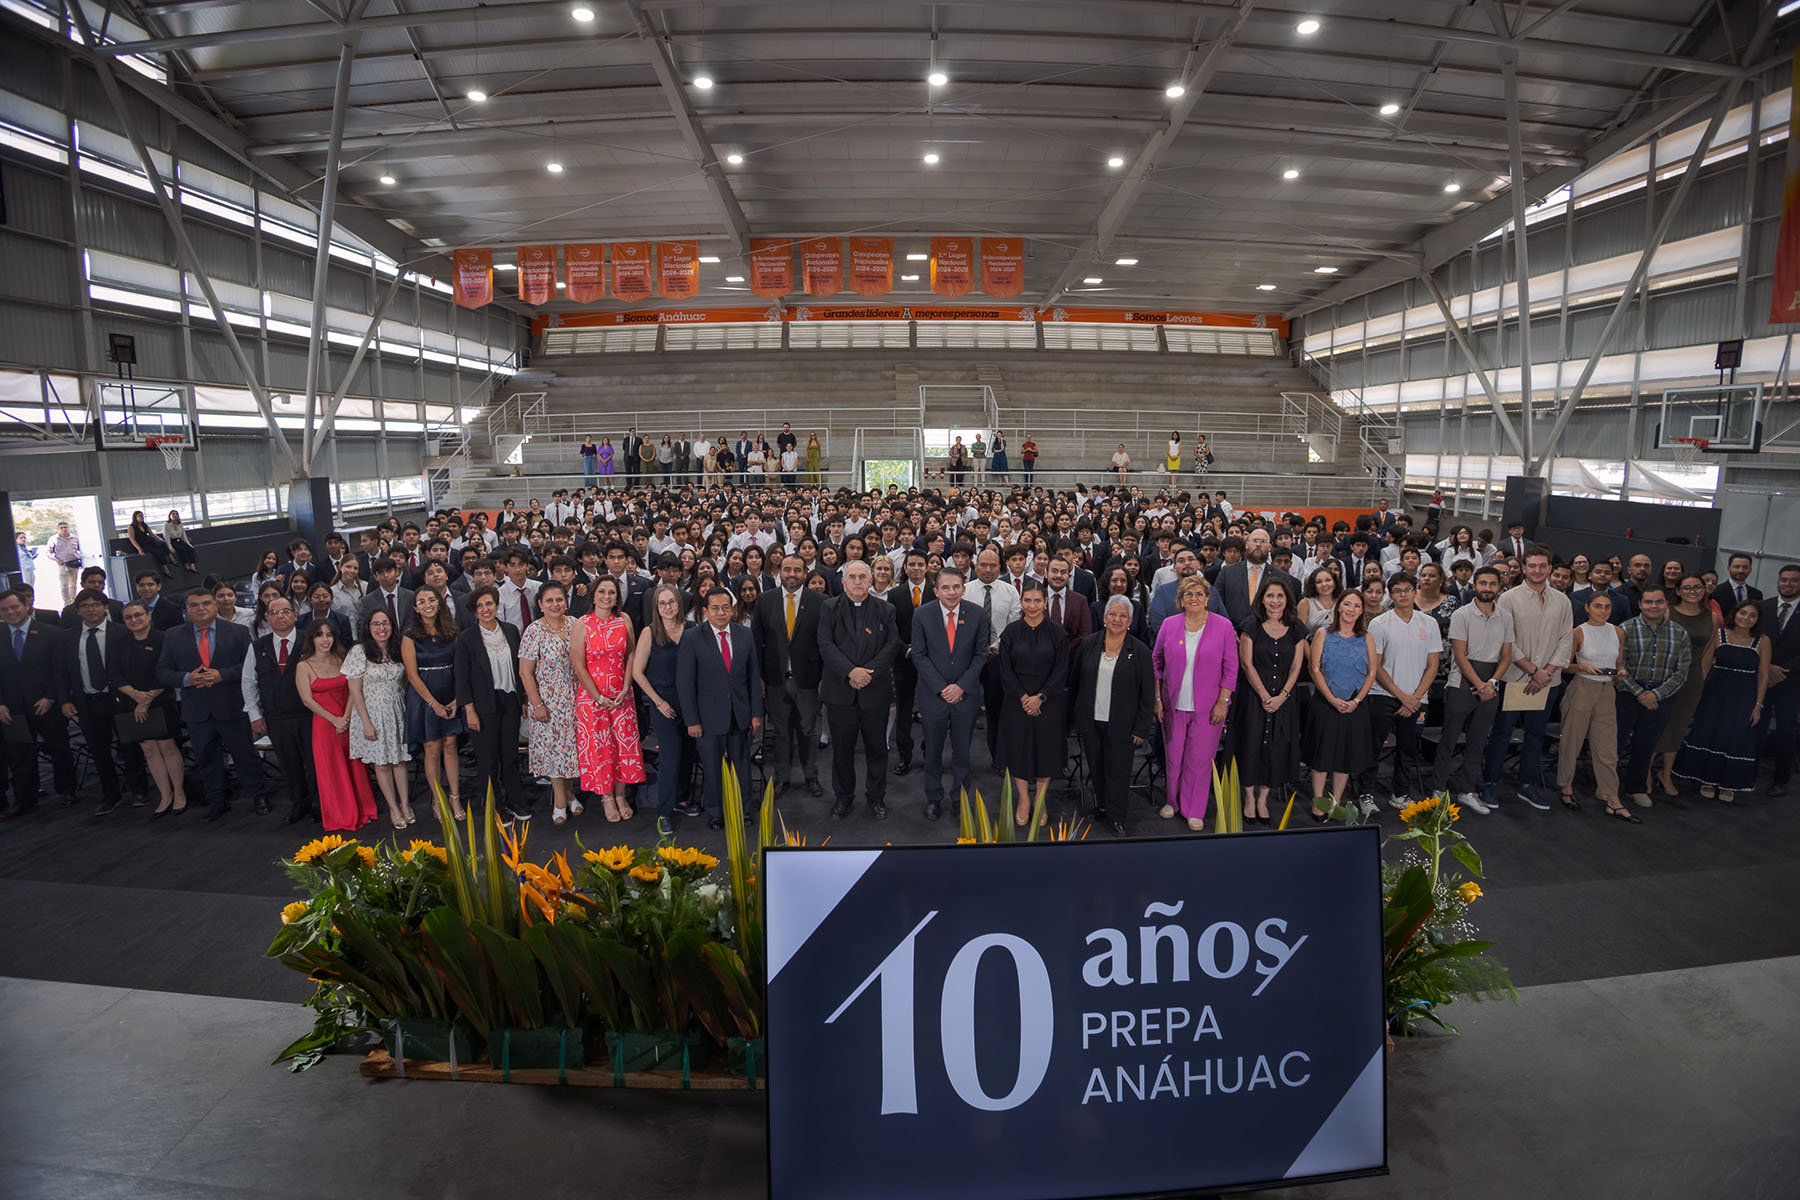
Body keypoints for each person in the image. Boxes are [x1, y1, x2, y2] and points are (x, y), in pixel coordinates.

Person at [155, 589, 267, 822]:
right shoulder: (173, 635)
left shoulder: (238, 632)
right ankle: (217, 801)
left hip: (231, 705)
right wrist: (188, 678)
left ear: (215, 606)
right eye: (194, 605)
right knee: (206, 758)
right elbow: (163, 671)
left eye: (206, 603)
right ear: (187, 610)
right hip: (197, 709)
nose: (201, 608)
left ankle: (259, 795)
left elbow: (249, 668)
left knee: (245, 755)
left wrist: (222, 675)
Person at [1482, 546, 1570, 810]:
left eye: (1543, 566)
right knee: (1502, 733)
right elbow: (1506, 640)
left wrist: (1548, 672)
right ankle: (1490, 784)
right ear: (1523, 567)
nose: (1537, 570)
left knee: (1536, 734)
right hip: (1515, 678)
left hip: (1548, 682)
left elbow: (1567, 639)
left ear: (1550, 568)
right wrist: (1533, 670)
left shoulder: (1562, 601)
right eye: (1532, 566)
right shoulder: (1508, 599)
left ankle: (1527, 786)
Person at [1151, 575, 1237, 831]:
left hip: (1209, 707)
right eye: (1188, 594)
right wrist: (1157, 699)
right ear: (1181, 599)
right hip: (1172, 704)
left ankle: (1194, 809)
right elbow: (1156, 663)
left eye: (1199, 594)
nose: (1194, 598)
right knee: (1174, 756)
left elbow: (1231, 668)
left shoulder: (1223, 626)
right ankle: (1173, 802)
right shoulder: (1169, 624)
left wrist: (1223, 701)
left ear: (1208, 598)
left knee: (1199, 760)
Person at [818, 560, 899, 820]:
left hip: (874, 691)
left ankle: (876, 797)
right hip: (841, 691)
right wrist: (850, 672)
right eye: (851, 577)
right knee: (842, 750)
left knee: (877, 749)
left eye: (862, 577)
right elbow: (825, 644)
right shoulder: (829, 607)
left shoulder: (886, 609)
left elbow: (892, 645)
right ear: (843, 581)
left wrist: (867, 673)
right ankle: (843, 797)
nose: (857, 582)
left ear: (871, 579)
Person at [678, 586, 761, 832]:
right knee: (712, 767)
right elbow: (685, 683)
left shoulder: (745, 635)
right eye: (715, 608)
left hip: (740, 713)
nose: (721, 612)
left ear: (732, 609)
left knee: (741, 765)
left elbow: (753, 676)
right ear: (705, 611)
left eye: (726, 607)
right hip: (707, 717)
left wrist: (756, 713)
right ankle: (715, 811)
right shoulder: (692, 637)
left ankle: (743, 809)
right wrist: (691, 720)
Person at [1071, 595, 1155, 837]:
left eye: (1123, 616)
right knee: (1096, 767)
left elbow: (1147, 693)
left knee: (1118, 770)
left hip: (1123, 724)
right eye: (1112, 614)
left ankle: (1117, 816)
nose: (1117, 619)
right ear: (1104, 617)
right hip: (1091, 719)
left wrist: (1141, 727)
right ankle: (1101, 806)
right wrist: (1075, 717)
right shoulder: (1089, 644)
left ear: (1130, 621)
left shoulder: (1139, 651)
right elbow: (1075, 682)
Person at [58, 586, 146, 813]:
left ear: (105, 608)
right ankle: (110, 794)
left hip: (121, 699)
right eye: (85, 606)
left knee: (130, 747)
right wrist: (64, 700)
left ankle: (139, 790)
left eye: (96, 604)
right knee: (99, 751)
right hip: (88, 701)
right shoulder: (68, 637)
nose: (91, 610)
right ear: (78, 611)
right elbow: (62, 672)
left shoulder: (122, 632)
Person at [1673, 600, 1771, 803]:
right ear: (1735, 614)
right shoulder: (1719, 634)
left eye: (1752, 615)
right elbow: (1705, 666)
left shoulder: (1763, 641)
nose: (1746, 618)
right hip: (1714, 692)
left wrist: (1758, 705)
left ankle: (1727, 784)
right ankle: (1706, 780)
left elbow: (1763, 676)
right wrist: (1697, 694)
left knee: (1735, 736)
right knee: (1709, 732)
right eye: (1743, 613)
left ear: (1758, 620)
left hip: (1744, 696)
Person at [912, 567, 988, 821]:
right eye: (945, 587)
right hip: (933, 696)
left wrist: (960, 687)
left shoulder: (977, 614)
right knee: (932, 751)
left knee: (962, 751)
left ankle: (960, 798)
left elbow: (980, 656)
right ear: (936, 591)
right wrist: (942, 688)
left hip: (965, 696)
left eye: (956, 587)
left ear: (964, 588)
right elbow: (919, 655)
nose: (951, 592)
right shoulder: (922, 614)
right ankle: (933, 797)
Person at [1364, 573, 1442, 810]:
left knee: (1408, 748)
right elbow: (1375, 667)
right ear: (1391, 595)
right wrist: (1403, 697)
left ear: (1415, 591)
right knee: (1373, 747)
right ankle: (1366, 793)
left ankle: (1400, 793)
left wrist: (1415, 698)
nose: (1403, 595)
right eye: (1397, 591)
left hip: (1418, 699)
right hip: (1383, 695)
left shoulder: (1429, 623)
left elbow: (1433, 665)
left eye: (1408, 590)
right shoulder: (1379, 623)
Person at [571, 576, 645, 822]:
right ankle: (606, 797)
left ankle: (621, 794)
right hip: (592, 698)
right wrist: (598, 697)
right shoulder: (582, 624)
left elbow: (631, 652)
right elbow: (578, 666)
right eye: (602, 591)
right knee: (601, 748)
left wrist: (626, 686)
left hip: (622, 694)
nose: (606, 596)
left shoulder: (624, 620)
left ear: (617, 597)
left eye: (611, 592)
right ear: (593, 595)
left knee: (623, 745)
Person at [1234, 578, 1306, 824]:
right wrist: (1265, 695)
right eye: (1270, 596)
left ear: (1287, 600)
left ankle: (1263, 797)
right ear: (1261, 599)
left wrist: (1282, 696)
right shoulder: (1250, 625)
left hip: (1284, 699)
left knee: (1275, 746)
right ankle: (1249, 797)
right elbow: (1246, 663)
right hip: (1254, 696)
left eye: (1280, 596)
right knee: (1251, 744)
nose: (1275, 601)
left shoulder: (1296, 627)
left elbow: (1297, 665)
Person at [455, 585, 529, 824]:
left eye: (489, 604)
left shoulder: (511, 630)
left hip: (510, 701)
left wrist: (524, 699)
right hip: (482, 704)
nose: (485, 609)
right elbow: (462, 678)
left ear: (497, 606)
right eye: (480, 606)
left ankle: (515, 801)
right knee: (488, 759)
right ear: (474, 610)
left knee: (510, 755)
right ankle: (494, 807)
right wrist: (469, 710)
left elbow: (520, 670)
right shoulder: (467, 638)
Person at [998, 579, 1070, 828]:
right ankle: (1023, 800)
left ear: (1045, 602)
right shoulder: (1010, 632)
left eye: (1037, 600)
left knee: (1045, 751)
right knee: (1018, 750)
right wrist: (1023, 697)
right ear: (1020, 602)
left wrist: (1040, 697)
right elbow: (1005, 670)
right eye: (1027, 600)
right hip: (1016, 701)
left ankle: (1040, 799)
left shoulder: (1058, 633)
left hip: (1048, 703)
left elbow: (1061, 671)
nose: (1032, 605)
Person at [1612, 584, 1691, 810]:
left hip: (1661, 696)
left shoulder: (1679, 633)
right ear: (1640, 604)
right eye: (1648, 602)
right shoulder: (1624, 629)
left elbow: (1681, 671)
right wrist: (1640, 693)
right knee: (1615, 743)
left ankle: (1635, 787)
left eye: (1658, 602)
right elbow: (1619, 667)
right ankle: (1608, 786)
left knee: (1645, 746)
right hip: (1628, 693)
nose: (1653, 606)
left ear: (1666, 604)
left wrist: (1655, 694)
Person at [293, 621, 376, 833]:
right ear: (311, 639)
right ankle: (343, 814)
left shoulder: (342, 659)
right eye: (319, 635)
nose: (325, 639)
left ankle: (363, 808)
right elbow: (306, 700)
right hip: (325, 726)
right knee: (333, 771)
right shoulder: (304, 666)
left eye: (329, 634)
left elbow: (352, 690)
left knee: (355, 765)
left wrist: (346, 717)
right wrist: (334, 720)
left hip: (348, 720)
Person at [754, 553, 825, 799]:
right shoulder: (764, 601)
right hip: (774, 679)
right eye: (787, 570)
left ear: (805, 573)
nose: (791, 575)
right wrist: (759, 677)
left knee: (808, 731)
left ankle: (811, 777)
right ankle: (782, 778)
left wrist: (823, 677)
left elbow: (825, 644)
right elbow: (756, 643)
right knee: (782, 732)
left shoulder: (820, 602)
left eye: (797, 570)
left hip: (808, 680)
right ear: (779, 572)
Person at [1303, 590, 1378, 819]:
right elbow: (1314, 669)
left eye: (1356, 606)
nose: (1351, 609)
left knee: (1345, 757)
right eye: (1347, 604)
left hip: (1354, 705)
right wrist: (1331, 699)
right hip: (1326, 703)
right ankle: (1318, 802)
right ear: (1338, 607)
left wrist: (1356, 701)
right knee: (1322, 755)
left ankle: (1336, 802)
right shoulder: (1323, 633)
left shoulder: (1367, 637)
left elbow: (1371, 672)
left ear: (1362, 611)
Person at [1558, 592, 1631, 820]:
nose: (1603, 611)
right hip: (1582, 688)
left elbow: (1618, 663)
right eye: (1598, 606)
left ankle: (1612, 797)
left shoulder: (1618, 632)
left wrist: (1621, 672)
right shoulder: (1578, 632)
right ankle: (1566, 786)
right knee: (1572, 741)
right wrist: (1582, 667)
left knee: (1607, 747)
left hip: (1606, 691)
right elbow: (1564, 665)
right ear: (1588, 608)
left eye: (1607, 607)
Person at [244, 598, 314, 825]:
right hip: (277, 717)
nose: (279, 616)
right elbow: (249, 682)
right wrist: (255, 714)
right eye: (273, 612)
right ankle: (298, 804)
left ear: (295, 615)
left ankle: (318, 804)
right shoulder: (257, 647)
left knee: (314, 763)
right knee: (289, 763)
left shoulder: (310, 640)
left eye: (285, 611)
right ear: (266, 618)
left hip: (309, 715)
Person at [111, 600, 184, 816]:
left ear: (148, 615)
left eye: (138, 615)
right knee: (149, 750)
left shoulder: (164, 638)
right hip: (131, 703)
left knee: (167, 748)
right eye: (128, 617)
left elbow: (169, 670)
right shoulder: (119, 642)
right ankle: (165, 795)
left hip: (161, 701)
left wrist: (147, 699)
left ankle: (179, 793)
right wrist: (135, 695)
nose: (134, 620)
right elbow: (113, 674)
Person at [634, 584, 695, 836]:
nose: (667, 607)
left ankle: (680, 800)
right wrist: (658, 702)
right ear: (656, 607)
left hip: (690, 702)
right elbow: (637, 672)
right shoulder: (650, 633)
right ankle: (664, 811)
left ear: (679, 604)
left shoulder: (693, 630)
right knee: (670, 754)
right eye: (662, 603)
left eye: (671, 601)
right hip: (663, 703)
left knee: (688, 753)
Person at [519, 581, 582, 824]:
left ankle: (570, 793)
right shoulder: (534, 631)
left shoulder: (576, 624)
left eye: (559, 599)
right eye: (549, 600)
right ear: (540, 604)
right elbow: (525, 672)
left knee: (570, 751)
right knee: (554, 752)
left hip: (575, 698)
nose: (555, 604)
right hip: (547, 701)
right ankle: (558, 801)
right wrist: (537, 705)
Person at [401, 586, 466, 819]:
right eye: (421, 601)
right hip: (424, 697)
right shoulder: (410, 635)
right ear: (415, 608)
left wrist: (457, 699)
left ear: (439, 603)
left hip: (451, 692)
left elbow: (460, 667)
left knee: (450, 745)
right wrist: (434, 704)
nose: (427, 604)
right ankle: (437, 800)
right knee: (432, 748)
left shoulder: (452, 631)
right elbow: (412, 675)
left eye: (431, 600)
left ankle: (455, 798)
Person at [1653, 575, 1720, 797]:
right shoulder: (1667, 611)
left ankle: (1666, 774)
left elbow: (1708, 653)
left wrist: (1700, 677)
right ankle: (1643, 771)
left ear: (1704, 590)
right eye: (1688, 587)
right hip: (1664, 674)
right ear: (1679, 591)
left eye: (1698, 587)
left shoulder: (1711, 617)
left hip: (1692, 678)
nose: (1693, 591)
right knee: (1656, 723)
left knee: (1679, 726)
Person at [346, 609, 413, 828]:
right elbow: (355, 691)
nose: (381, 628)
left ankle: (405, 805)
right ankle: (393, 808)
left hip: (396, 708)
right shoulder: (359, 651)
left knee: (399, 760)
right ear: (368, 627)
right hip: (371, 712)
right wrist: (366, 722)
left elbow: (404, 680)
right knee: (382, 763)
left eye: (385, 623)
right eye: (376, 624)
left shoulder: (398, 648)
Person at [1760, 565, 1800, 797]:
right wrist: (1768, 667)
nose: (1788, 584)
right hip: (1762, 678)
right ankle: (1748, 771)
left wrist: (1783, 670)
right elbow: (1753, 639)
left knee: (1786, 731)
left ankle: (1781, 779)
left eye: (1793, 581)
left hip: (1791, 681)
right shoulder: (1763, 607)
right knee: (1756, 726)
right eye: (1784, 580)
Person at [127, 510, 173, 577]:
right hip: (142, 545)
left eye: (142, 515)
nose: (141, 517)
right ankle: (166, 571)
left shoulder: (144, 525)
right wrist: (139, 549)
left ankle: (172, 559)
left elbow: (152, 534)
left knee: (162, 544)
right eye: (139, 516)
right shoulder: (131, 527)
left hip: (149, 541)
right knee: (158, 552)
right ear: (135, 517)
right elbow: (132, 539)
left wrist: (160, 539)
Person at [48, 521, 82, 605]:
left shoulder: (74, 538)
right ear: (58, 529)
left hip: (74, 564)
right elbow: (48, 552)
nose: (64, 529)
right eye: (61, 528)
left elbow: (80, 549)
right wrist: (56, 560)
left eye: (65, 527)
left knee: (73, 585)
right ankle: (67, 603)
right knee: (64, 586)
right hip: (63, 565)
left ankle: (73, 602)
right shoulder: (54, 539)